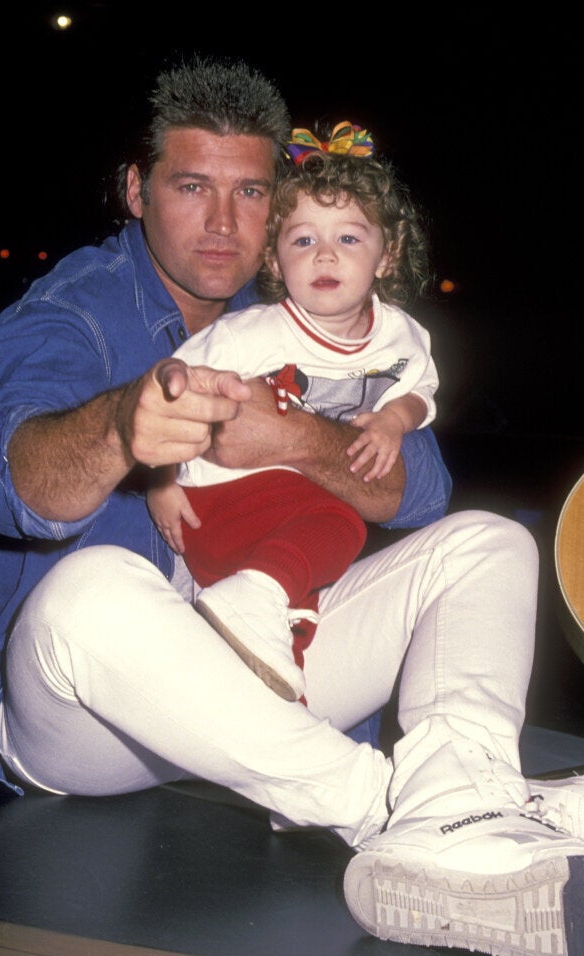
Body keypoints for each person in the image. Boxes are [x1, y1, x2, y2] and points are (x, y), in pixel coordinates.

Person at [0, 54, 584, 956]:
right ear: (135, 189)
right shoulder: (71, 313)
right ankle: (412, 814)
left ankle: (468, 791)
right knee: (90, 587)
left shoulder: (307, 302)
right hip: (89, 712)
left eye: (251, 192)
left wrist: (292, 438)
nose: (223, 223)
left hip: (267, 676)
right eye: (190, 186)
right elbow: (10, 484)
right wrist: (122, 427)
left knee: (486, 542)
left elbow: (420, 490)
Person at [147, 122, 438, 703]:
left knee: (297, 612)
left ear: (389, 254)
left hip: (285, 513)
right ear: (276, 261)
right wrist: (159, 482)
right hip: (215, 501)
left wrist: (393, 421)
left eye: (350, 240)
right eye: (303, 241)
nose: (325, 254)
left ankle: (280, 695)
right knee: (342, 524)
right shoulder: (249, 335)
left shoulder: (402, 336)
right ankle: (249, 598)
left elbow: (419, 390)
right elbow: (164, 397)